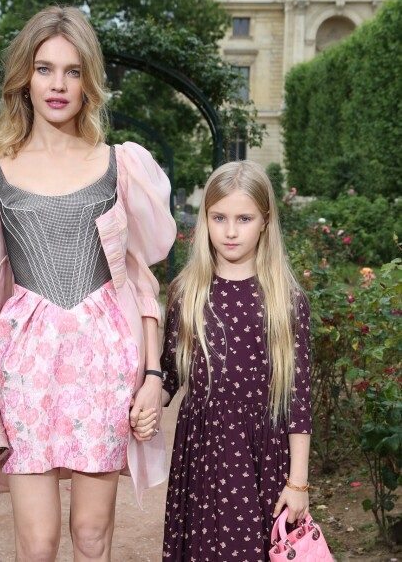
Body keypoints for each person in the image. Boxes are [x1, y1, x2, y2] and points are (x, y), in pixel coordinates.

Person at [0, 5, 176, 562]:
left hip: (103, 364)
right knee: (38, 541)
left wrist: (151, 376)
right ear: (26, 76)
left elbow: (141, 283)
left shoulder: (121, 166)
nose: (58, 84)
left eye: (72, 71)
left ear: (88, 81)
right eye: (45, 68)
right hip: (22, 363)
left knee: (92, 537)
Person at [151, 160, 312, 561]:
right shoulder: (186, 292)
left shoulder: (285, 301)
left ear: (265, 220)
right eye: (219, 217)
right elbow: (169, 375)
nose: (231, 230)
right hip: (201, 452)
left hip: (262, 453)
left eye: (244, 218)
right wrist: (145, 402)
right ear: (205, 219)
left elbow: (298, 399)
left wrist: (299, 482)